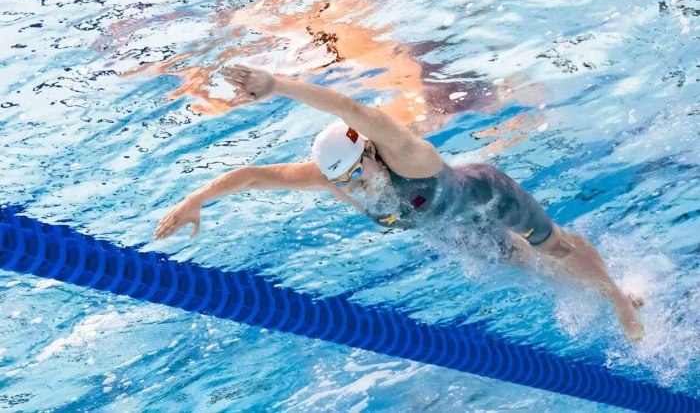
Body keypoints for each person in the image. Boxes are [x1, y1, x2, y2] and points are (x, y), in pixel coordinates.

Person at [153, 64, 645, 342]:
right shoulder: (335, 179)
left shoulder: (407, 156)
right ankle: (608, 289)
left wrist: (278, 86)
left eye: (356, 171)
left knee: (554, 246)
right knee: (525, 262)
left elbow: (352, 109)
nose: (352, 185)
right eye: (341, 180)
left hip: (486, 197)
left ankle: (620, 301)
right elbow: (254, 176)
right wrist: (198, 198)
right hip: (453, 229)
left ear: (370, 151)